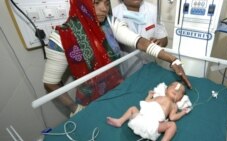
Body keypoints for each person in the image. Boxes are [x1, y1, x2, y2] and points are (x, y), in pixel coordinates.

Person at [43, 0, 192, 117]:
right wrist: (75, 108)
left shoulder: (110, 23)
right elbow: (50, 83)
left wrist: (172, 59)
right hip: (90, 102)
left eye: (107, 3)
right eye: (97, 2)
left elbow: (139, 41)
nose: (104, 8)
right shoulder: (62, 37)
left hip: (118, 91)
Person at [107, 82, 188, 141]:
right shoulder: (159, 96)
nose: (176, 89)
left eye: (180, 91)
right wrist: (149, 95)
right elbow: (147, 102)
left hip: (154, 125)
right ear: (166, 90)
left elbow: (172, 117)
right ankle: (120, 121)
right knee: (133, 108)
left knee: (172, 125)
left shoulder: (174, 105)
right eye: (173, 86)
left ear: (180, 99)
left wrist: (182, 112)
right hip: (140, 118)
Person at [112, 0, 168, 77]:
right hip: (128, 68)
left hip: (150, 65)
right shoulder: (114, 14)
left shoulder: (153, 10)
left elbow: (164, 39)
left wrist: (159, 42)